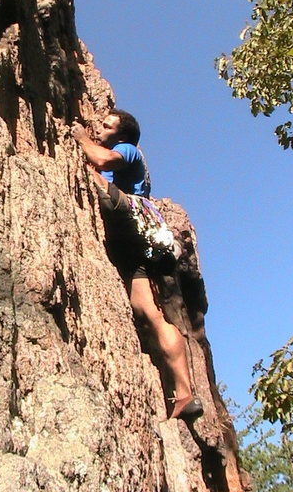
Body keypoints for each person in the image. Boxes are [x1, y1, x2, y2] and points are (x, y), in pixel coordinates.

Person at [71, 109, 203, 421]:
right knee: (147, 312)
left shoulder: (128, 150)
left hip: (130, 220)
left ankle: (185, 392)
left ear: (122, 135)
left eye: (107, 126)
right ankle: (185, 394)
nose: (100, 129)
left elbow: (103, 162)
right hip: (140, 247)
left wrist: (80, 140)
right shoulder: (123, 151)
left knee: (95, 177)